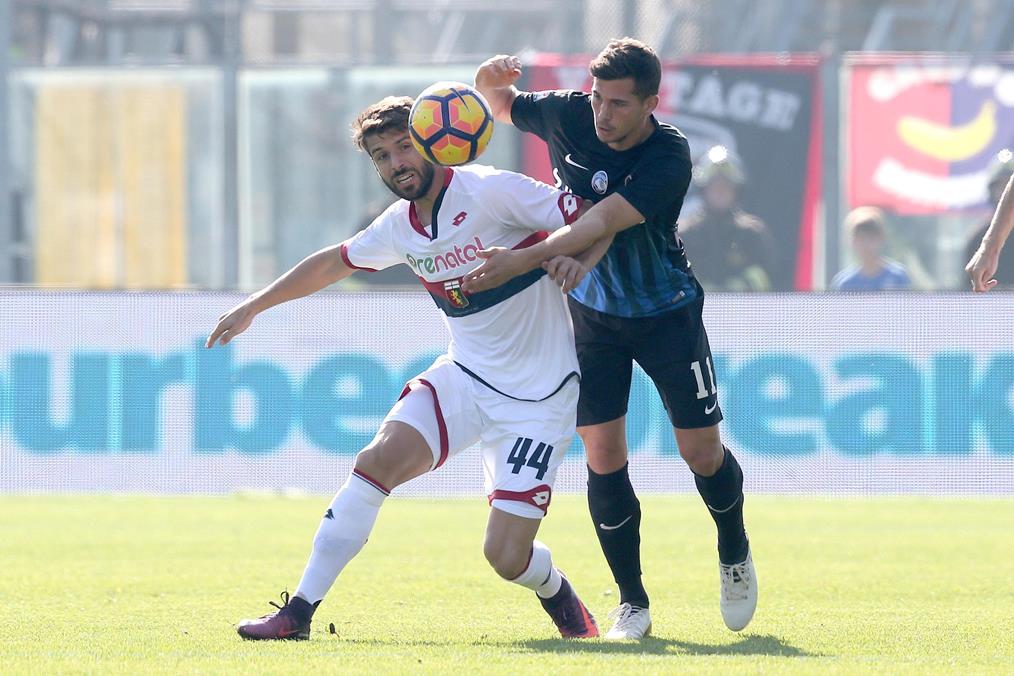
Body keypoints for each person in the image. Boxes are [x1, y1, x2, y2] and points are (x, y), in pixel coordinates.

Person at [207, 96, 601, 641]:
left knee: (505, 557)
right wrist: (255, 304)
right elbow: (331, 261)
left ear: (435, 141)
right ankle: (297, 613)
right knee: (375, 462)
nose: (396, 163)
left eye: (402, 147)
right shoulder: (398, 226)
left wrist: (579, 261)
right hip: (464, 377)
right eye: (381, 156)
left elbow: (592, 217)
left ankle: (556, 590)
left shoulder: (491, 190)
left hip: (539, 400)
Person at [469, 39, 757, 640]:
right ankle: (632, 602)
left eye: (620, 104)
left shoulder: (669, 155)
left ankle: (733, 546)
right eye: (599, 98)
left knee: (701, 454)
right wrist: (486, 78)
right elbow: (499, 105)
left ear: (653, 102)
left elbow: (599, 221)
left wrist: (521, 262)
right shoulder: (568, 112)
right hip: (592, 318)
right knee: (602, 454)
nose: (603, 114)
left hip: (666, 314)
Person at [679, 145, 775, 292]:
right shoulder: (683, 236)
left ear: (736, 191)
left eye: (725, 187)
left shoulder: (752, 234)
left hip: (744, 312)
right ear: (703, 190)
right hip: (696, 313)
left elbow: (769, 279)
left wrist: (737, 288)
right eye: (715, 188)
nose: (720, 193)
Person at [965, 149, 1014, 291]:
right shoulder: (978, 240)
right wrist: (990, 248)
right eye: (1000, 187)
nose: (1004, 193)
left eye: (1007, 186)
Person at [831, 207, 911, 291]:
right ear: (853, 242)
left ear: (881, 239)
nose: (867, 244)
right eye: (861, 238)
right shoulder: (844, 283)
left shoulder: (898, 277)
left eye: (871, 238)